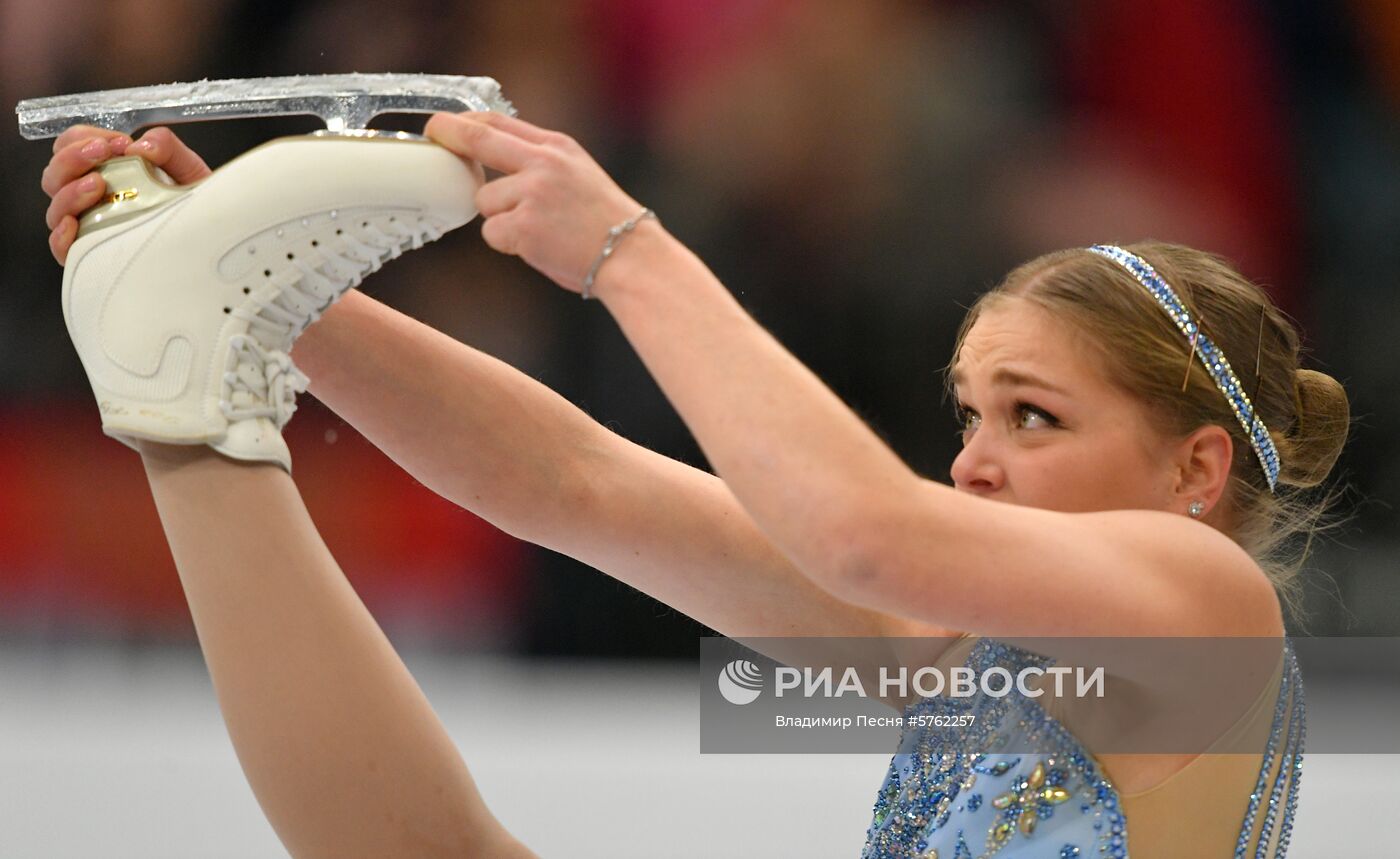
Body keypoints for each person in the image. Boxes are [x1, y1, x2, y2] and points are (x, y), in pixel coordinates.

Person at [38, 112, 1347, 858]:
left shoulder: (1201, 608)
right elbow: (579, 481)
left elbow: (864, 534)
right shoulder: (976, 658)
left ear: (1197, 467)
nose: (973, 458)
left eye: (1034, 417)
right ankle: (185, 400)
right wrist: (262, 295)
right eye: (970, 412)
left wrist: (627, 248)